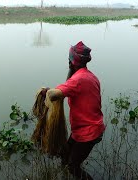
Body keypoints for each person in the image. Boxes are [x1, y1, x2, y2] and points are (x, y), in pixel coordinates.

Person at [43, 41, 105, 180]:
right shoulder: (90, 76)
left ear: (71, 62)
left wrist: (46, 92)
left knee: (73, 167)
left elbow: (53, 95)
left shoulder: (77, 80)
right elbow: (67, 88)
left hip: (88, 132)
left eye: (69, 59)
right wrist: (71, 68)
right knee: (64, 154)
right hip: (87, 128)